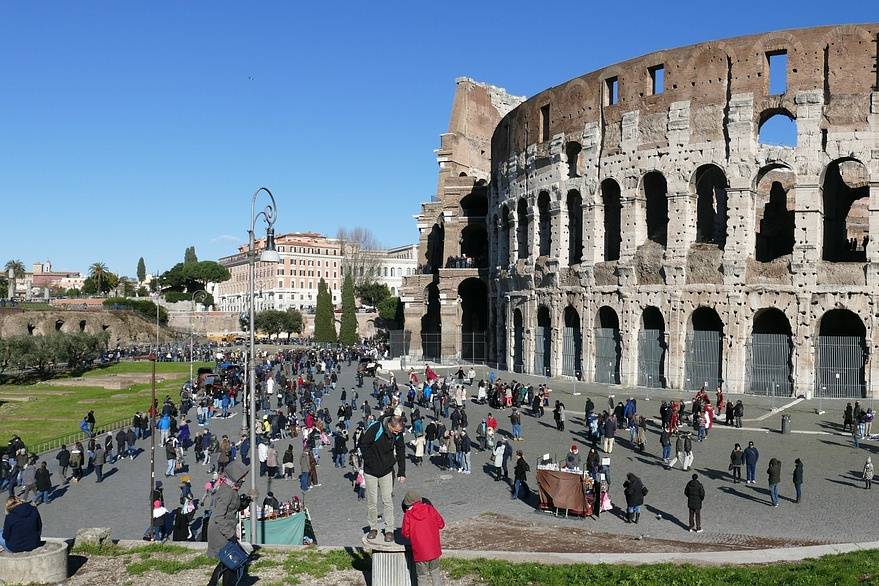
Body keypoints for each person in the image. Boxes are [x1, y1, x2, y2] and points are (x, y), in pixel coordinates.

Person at [359, 412, 407, 543]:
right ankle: (373, 527)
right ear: (390, 426)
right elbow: (363, 445)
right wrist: (371, 462)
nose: (398, 434)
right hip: (371, 471)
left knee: (388, 501)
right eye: (396, 432)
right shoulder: (376, 428)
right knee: (372, 502)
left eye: (399, 432)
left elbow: (401, 450)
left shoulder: (398, 433)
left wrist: (401, 472)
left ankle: (389, 530)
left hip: (386, 470)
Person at [207, 461, 250, 586]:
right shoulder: (227, 492)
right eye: (242, 478)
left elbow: (231, 508)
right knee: (231, 560)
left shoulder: (231, 488)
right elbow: (219, 516)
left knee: (228, 562)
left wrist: (242, 504)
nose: (243, 480)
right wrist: (230, 534)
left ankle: (213, 584)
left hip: (224, 528)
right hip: (220, 530)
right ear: (235, 477)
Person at [401, 491, 445, 586]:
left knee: (422, 576)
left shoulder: (408, 515)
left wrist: (414, 536)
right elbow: (441, 524)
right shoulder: (430, 509)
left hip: (420, 552)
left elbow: (405, 533)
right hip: (434, 550)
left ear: (408, 503)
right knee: (435, 573)